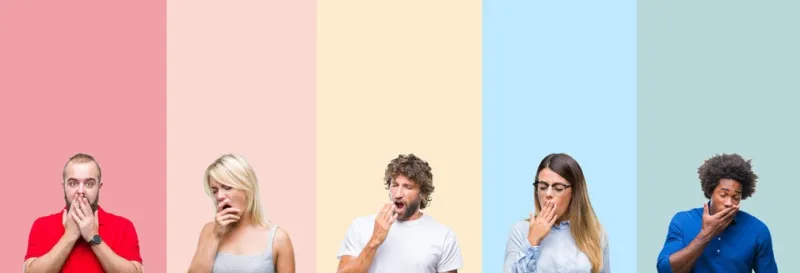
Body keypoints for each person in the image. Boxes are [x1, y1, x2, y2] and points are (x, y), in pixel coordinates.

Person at [336, 153, 463, 273]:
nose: (397, 194)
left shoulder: (443, 236)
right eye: (395, 185)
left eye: (408, 187)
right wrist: (375, 240)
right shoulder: (360, 226)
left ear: (423, 193)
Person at [656, 153, 777, 273]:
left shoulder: (758, 230)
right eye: (723, 195)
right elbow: (665, 270)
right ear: (710, 191)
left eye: (735, 197)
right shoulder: (682, 221)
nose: (729, 202)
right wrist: (706, 235)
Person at [23, 153, 143, 273]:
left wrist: (92, 236)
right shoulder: (41, 225)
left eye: (89, 183)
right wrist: (69, 236)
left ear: (99, 187)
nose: (81, 191)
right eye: (73, 183)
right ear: (64, 186)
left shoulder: (124, 226)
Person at [188, 154, 296, 273]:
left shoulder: (278, 239)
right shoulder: (209, 231)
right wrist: (215, 236)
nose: (219, 196)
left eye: (227, 187)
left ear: (247, 187)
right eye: (215, 191)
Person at [504, 153, 609, 273]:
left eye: (558, 188)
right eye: (542, 187)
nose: (548, 194)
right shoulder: (521, 230)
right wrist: (532, 241)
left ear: (575, 192)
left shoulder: (596, 233)